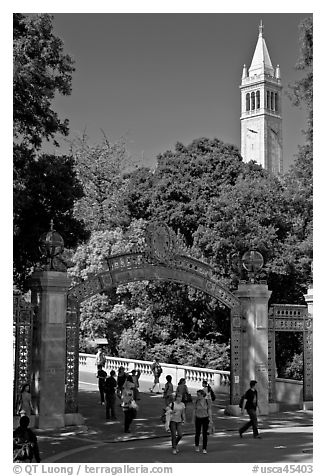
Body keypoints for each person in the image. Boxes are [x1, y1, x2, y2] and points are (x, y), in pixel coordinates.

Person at [192, 389, 213, 454]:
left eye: (199, 395)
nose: (197, 396)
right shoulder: (196, 401)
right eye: (197, 395)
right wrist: (193, 419)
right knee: (197, 433)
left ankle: (204, 448)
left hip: (205, 418)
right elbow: (194, 410)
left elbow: (209, 410)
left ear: (202, 395)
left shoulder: (207, 401)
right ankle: (197, 445)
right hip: (198, 418)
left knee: (205, 434)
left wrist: (211, 419)